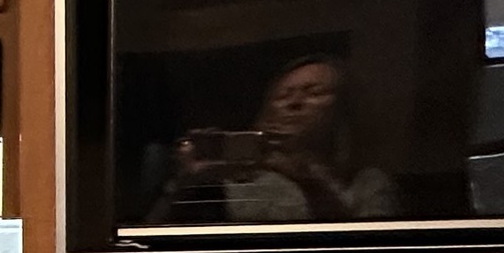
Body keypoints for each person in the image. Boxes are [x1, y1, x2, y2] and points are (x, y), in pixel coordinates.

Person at [149, 54, 398, 224]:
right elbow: (149, 250)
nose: (294, 103)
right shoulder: (234, 178)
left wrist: (308, 181)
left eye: (314, 92)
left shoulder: (366, 182)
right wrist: (188, 184)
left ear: (343, 107)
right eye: (283, 95)